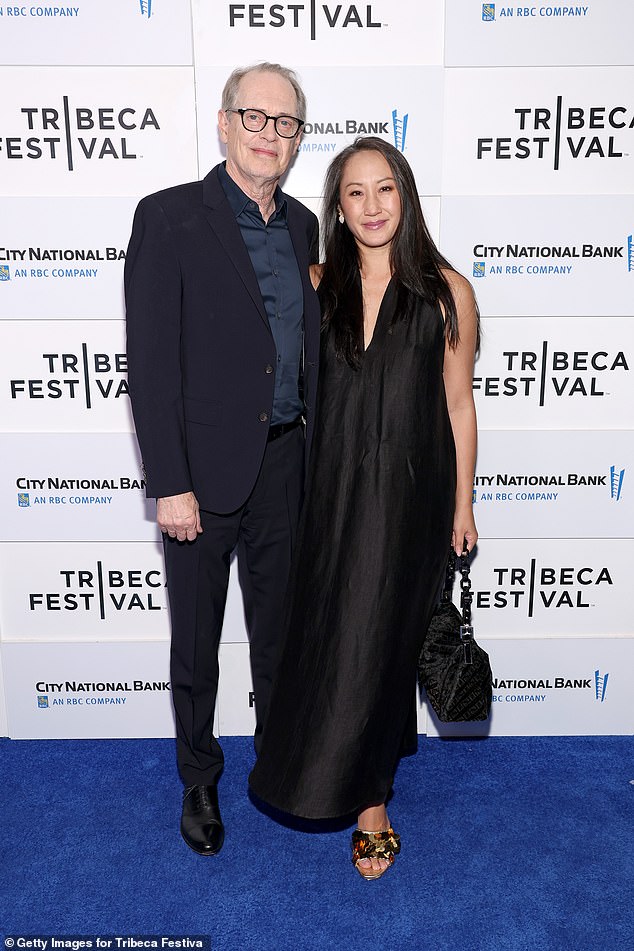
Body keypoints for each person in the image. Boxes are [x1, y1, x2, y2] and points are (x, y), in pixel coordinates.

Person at [249, 137, 479, 880]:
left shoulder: (449, 291)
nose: (373, 206)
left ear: (405, 198)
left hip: (413, 499)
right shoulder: (319, 285)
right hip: (332, 495)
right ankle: (319, 764)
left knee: (384, 648)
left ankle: (373, 803)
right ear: (339, 208)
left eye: (386, 189)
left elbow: (458, 403)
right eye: (356, 193)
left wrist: (463, 502)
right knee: (334, 639)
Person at [124, 63, 320, 856]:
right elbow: (151, 361)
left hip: (284, 463)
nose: (269, 134)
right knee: (196, 639)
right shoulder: (168, 217)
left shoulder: (305, 224)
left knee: (280, 633)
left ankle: (277, 761)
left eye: (286, 123)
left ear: (298, 139)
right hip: (200, 477)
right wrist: (169, 482)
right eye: (256, 116)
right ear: (223, 122)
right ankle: (199, 777)